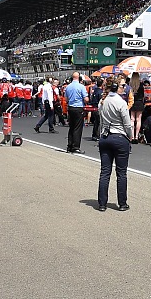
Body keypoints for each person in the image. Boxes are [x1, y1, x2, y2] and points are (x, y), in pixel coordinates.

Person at [97, 78, 134, 212]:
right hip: (119, 137)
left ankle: (102, 204)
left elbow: (101, 121)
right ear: (116, 87)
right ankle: (122, 203)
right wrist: (130, 136)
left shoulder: (102, 102)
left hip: (105, 137)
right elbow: (127, 123)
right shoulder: (120, 102)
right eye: (123, 86)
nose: (124, 88)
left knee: (105, 172)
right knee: (121, 173)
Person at [64, 72, 88, 154]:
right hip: (78, 107)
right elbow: (86, 99)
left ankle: (69, 146)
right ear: (79, 78)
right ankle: (76, 147)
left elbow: (66, 99)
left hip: (70, 107)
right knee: (78, 128)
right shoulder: (81, 87)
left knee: (71, 127)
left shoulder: (68, 87)